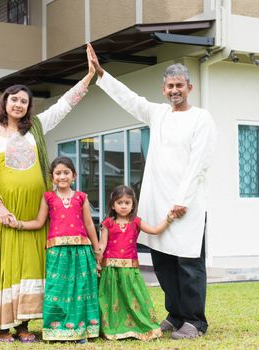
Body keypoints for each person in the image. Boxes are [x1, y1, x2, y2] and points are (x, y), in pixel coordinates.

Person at [87, 43, 217, 339]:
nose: (174, 90)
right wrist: (101, 74)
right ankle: (175, 314)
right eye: (170, 86)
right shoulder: (158, 114)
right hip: (156, 202)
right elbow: (129, 100)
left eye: (179, 85)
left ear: (189, 87)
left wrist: (182, 201)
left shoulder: (201, 118)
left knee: (188, 264)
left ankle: (196, 321)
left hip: (187, 205)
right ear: (164, 89)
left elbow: (199, 162)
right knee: (163, 262)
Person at [0, 52, 96, 342]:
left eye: (24, 101)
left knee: (31, 266)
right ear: (4, 102)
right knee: (6, 265)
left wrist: (88, 77)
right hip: (6, 211)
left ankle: (23, 325)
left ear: (28, 106)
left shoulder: (35, 128)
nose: (19, 104)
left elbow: (64, 106)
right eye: (14, 99)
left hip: (35, 214)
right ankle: (0, 326)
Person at [8, 156, 101, 343]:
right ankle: (56, 330)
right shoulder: (48, 197)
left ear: (73, 175)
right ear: (52, 177)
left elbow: (89, 224)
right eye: (58, 173)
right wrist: (18, 224)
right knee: (57, 290)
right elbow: (39, 222)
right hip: (57, 251)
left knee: (80, 289)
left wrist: (97, 250)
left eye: (66, 172)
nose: (62, 176)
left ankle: (80, 330)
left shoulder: (81, 197)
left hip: (81, 250)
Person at [98, 185, 174, 341]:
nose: (124, 206)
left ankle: (140, 326)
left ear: (133, 205)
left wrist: (169, 219)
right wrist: (96, 260)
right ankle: (111, 328)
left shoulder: (136, 222)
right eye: (120, 202)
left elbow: (154, 230)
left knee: (134, 298)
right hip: (110, 270)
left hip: (130, 270)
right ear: (113, 205)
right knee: (111, 300)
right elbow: (102, 244)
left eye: (127, 202)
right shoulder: (108, 223)